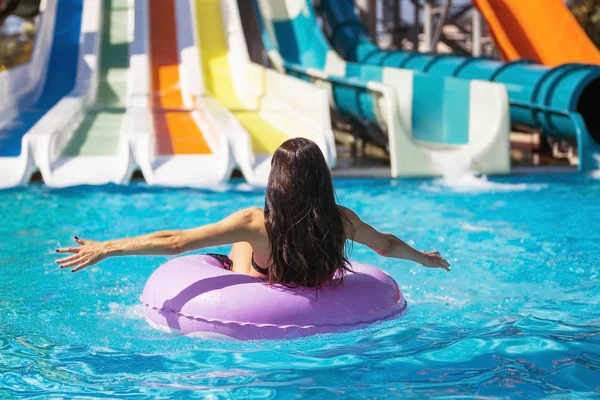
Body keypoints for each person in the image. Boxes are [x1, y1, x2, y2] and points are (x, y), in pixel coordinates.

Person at [55, 138, 450, 287]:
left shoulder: (257, 223)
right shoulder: (340, 217)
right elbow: (385, 246)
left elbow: (176, 243)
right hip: (314, 289)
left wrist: (107, 247)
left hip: (261, 288)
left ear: (277, 181)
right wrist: (423, 259)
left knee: (239, 245)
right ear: (321, 179)